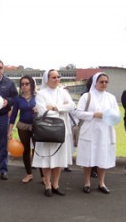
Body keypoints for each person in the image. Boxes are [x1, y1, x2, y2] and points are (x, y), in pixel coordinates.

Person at [32, 69, 75, 197]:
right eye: (54, 77)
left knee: (59, 159)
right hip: (46, 130)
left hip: (61, 131)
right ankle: (47, 185)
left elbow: (72, 106)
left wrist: (56, 107)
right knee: (47, 159)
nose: (57, 79)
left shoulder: (63, 92)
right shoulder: (41, 94)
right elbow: (41, 111)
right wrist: (62, 109)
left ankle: (56, 184)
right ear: (47, 79)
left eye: (58, 77)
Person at [75, 72, 119, 194]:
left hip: (105, 131)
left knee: (102, 156)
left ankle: (101, 183)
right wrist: (94, 114)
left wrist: (111, 117)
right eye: (101, 81)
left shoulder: (111, 97)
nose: (104, 84)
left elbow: (116, 114)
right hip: (90, 130)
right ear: (95, 82)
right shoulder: (86, 96)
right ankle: (87, 182)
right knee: (88, 157)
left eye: (106, 82)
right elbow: (78, 113)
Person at [8, 75, 36, 183]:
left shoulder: (37, 97)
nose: (24, 86)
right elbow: (14, 115)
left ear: (31, 85)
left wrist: (38, 110)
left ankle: (43, 176)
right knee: (26, 150)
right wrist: (10, 130)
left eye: (27, 84)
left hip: (36, 126)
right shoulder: (18, 99)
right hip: (22, 126)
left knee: (38, 151)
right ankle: (29, 174)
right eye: (22, 84)